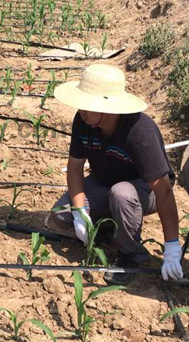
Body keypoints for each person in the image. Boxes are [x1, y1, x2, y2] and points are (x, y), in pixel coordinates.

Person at [49, 63, 183, 285]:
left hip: (143, 191)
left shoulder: (140, 132)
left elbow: (163, 190)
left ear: (107, 107)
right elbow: (74, 167)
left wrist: (171, 246)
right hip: (105, 182)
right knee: (62, 214)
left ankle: (129, 254)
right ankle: (108, 227)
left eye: (87, 105)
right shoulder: (83, 121)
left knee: (121, 193)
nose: (81, 111)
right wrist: (80, 211)